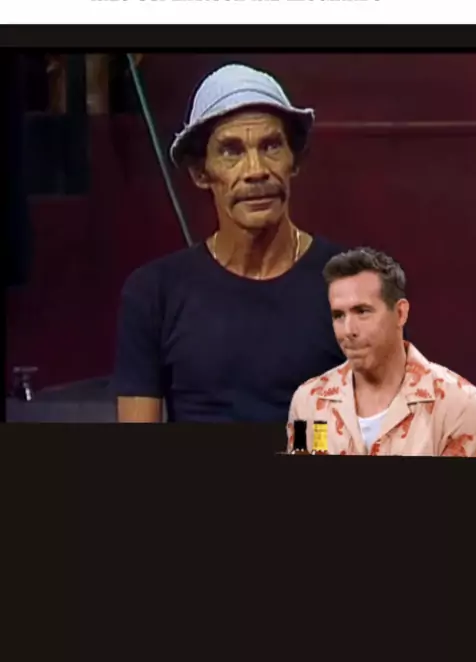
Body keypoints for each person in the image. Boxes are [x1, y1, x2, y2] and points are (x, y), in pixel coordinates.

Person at [114, 63, 345, 423]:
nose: (256, 170)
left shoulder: (354, 284)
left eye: (271, 146)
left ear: (294, 161)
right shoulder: (155, 293)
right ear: (200, 172)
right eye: (231, 151)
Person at [287, 247, 476, 456]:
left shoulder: (460, 406)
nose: (348, 330)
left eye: (362, 311)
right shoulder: (308, 402)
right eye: (339, 315)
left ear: (400, 313)